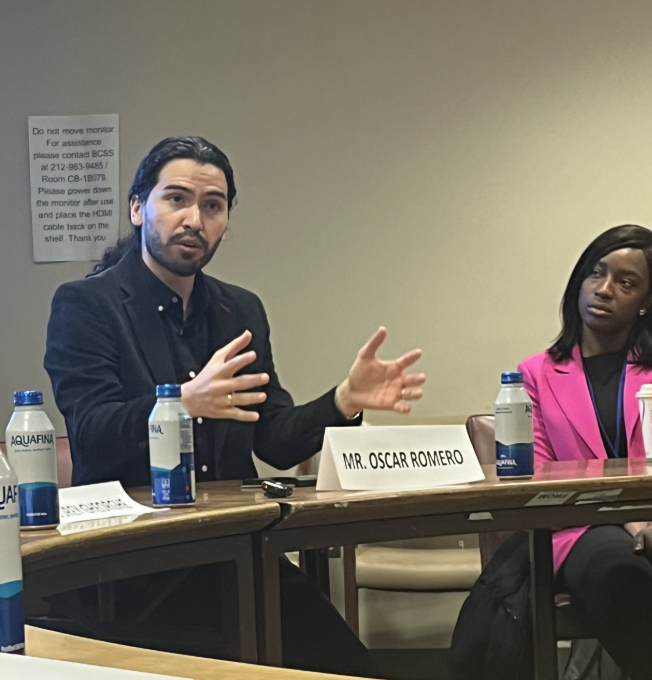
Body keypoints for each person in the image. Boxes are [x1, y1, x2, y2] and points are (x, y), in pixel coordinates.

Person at [44, 136, 425, 676]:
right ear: (137, 208)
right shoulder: (87, 305)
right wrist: (183, 403)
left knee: (344, 667)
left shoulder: (238, 308)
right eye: (176, 199)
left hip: (237, 549)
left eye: (213, 206)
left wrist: (342, 401)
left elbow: (274, 438)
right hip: (132, 564)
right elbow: (92, 432)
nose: (194, 219)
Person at [518, 224, 652, 679]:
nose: (604, 289)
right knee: (620, 570)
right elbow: (535, 477)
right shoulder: (534, 375)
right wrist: (628, 518)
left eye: (626, 282)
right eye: (596, 273)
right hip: (575, 528)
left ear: (646, 302)